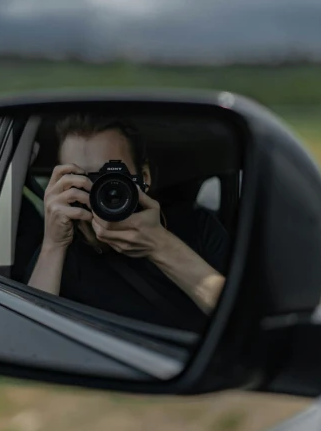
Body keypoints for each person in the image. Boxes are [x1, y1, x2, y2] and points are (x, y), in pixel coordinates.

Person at [25, 114, 230, 332]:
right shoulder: (60, 251)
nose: (101, 191)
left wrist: (160, 245)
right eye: (82, 178)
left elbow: (241, 315)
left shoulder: (199, 228)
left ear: (144, 177)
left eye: (111, 176)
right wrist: (53, 244)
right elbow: (31, 338)